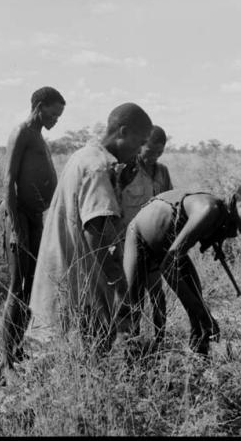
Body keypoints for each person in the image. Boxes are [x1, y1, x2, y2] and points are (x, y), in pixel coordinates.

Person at [26, 103, 153, 353]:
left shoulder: (85, 156)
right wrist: (121, 289)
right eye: (139, 142)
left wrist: (118, 186)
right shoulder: (98, 168)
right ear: (123, 132)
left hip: (62, 278)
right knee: (89, 357)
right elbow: (96, 234)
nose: (140, 150)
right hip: (78, 286)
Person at [120, 181, 241, 356]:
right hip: (140, 239)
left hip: (167, 249)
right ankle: (129, 365)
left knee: (197, 303)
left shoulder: (225, 215)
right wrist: (201, 311)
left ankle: (198, 357)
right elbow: (168, 266)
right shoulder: (210, 210)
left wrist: (199, 310)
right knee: (132, 308)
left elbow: (174, 257)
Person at [0, 86, 65, 374]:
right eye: (54, 113)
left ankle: (17, 347)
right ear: (39, 106)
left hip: (35, 215)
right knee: (17, 286)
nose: (56, 119)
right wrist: (14, 227)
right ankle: (5, 360)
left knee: (31, 284)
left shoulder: (38, 135)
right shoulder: (22, 131)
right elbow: (9, 179)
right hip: (19, 215)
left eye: (59, 116)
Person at [121, 124, 173, 229]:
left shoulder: (163, 171)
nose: (154, 157)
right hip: (126, 236)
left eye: (159, 152)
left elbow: (170, 204)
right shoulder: (125, 169)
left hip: (154, 235)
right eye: (150, 152)